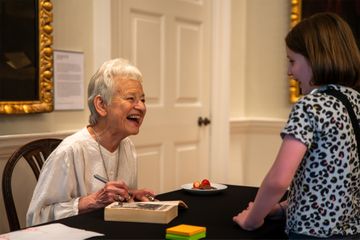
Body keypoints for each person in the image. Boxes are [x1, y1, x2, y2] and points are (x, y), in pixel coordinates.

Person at [233, 12, 360, 239]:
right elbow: (334, 178)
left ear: (317, 58)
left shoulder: (310, 105)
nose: (289, 72)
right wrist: (281, 207)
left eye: (292, 61)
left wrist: (252, 220)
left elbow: (279, 179)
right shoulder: (356, 101)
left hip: (311, 233)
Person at [26, 58, 155, 226]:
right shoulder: (70, 151)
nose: (142, 107)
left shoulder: (127, 146)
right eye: (131, 98)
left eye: (143, 100)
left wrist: (131, 195)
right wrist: (91, 201)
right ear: (101, 105)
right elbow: (36, 217)